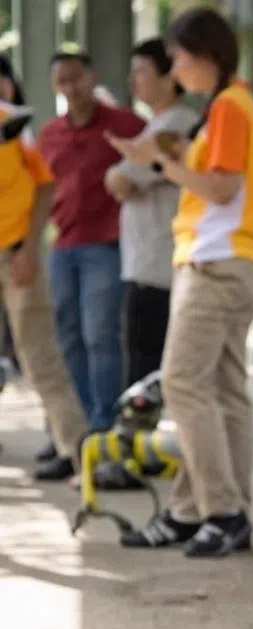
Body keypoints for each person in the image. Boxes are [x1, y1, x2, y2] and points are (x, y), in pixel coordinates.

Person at [108, 9, 253, 557]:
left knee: (181, 384)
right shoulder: (235, 105)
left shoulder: (227, 107)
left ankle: (220, 511)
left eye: (177, 58)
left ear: (204, 56)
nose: (175, 70)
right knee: (222, 393)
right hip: (232, 262)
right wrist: (166, 159)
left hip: (216, 264)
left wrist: (160, 163)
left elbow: (220, 190)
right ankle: (194, 510)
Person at [36, 52, 145, 461]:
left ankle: (104, 429)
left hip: (106, 245)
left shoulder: (125, 125)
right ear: (54, 88)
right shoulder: (49, 134)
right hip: (62, 246)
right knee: (66, 337)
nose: (70, 88)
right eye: (61, 82)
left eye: (76, 79)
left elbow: (158, 162)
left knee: (100, 335)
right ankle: (75, 429)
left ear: (91, 76)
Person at [0, 56, 89, 481]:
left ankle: (80, 457)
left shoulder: (14, 127)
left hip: (17, 255)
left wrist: (30, 248)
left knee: (40, 360)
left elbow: (44, 183)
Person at [104, 38, 196, 389]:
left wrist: (122, 173)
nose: (133, 81)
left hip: (157, 269)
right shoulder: (156, 125)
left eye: (141, 71)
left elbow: (120, 180)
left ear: (169, 76)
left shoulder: (175, 125)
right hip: (149, 264)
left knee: (147, 374)